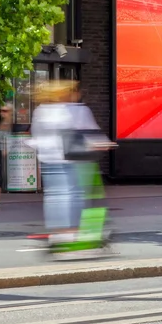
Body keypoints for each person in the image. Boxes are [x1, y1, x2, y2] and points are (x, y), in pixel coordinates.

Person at [31, 80, 109, 248]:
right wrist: (105, 144)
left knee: (54, 196)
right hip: (72, 159)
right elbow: (90, 132)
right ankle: (73, 232)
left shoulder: (41, 110)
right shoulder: (77, 110)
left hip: (48, 159)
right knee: (74, 195)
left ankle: (57, 233)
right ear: (69, 93)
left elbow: (35, 136)